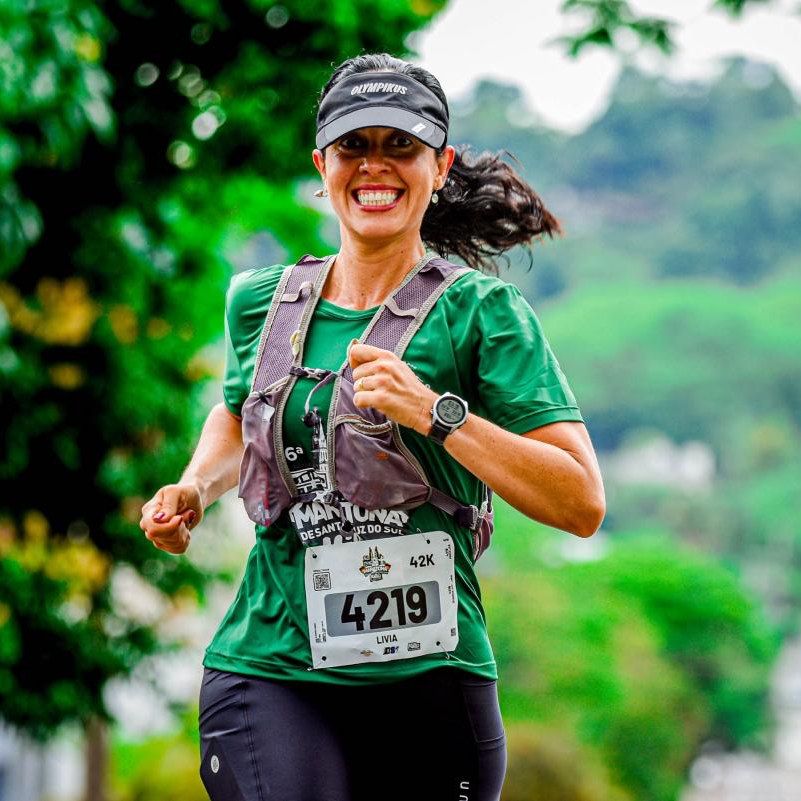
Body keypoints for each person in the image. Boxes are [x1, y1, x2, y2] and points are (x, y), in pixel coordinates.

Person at [138, 53, 606, 801]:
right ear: (322, 164)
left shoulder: (481, 315)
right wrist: (195, 487)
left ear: (439, 164)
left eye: (401, 146)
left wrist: (434, 413)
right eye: (354, 146)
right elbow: (236, 412)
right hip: (272, 662)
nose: (374, 167)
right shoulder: (261, 303)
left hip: (431, 677)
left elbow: (580, 501)